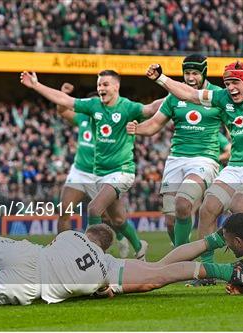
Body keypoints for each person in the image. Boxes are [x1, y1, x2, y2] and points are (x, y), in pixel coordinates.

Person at [0, 215, 243, 308]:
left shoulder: (66, 236)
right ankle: (222, 262)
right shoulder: (96, 257)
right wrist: (101, 290)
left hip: (31, 270)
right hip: (41, 281)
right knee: (159, 274)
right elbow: (137, 283)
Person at [146, 38, 243, 267]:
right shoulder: (222, 98)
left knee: (239, 205)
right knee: (208, 208)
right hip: (236, 166)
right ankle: (207, 267)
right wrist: (161, 78)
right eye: (227, 83)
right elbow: (188, 94)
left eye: (235, 83)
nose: (231, 88)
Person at [20, 69, 162, 260]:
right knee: (117, 219)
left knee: (94, 209)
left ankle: (91, 257)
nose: (101, 88)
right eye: (99, 85)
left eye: (105, 85)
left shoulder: (127, 107)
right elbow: (64, 103)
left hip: (121, 171)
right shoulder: (92, 108)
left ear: (116, 86)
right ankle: (139, 247)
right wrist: (36, 85)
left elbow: (152, 108)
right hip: (93, 172)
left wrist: (180, 93)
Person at [127, 54, 225, 248]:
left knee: (183, 203)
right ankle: (182, 251)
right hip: (176, 159)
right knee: (170, 221)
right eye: (187, 73)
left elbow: (233, 127)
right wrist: (136, 129)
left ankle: (183, 262)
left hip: (204, 159)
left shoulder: (217, 95)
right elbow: (154, 124)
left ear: (204, 73)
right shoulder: (174, 97)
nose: (190, 78)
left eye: (195, 73)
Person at [55, 83, 130, 258]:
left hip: (101, 173)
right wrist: (63, 94)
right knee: (64, 210)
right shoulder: (82, 118)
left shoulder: (111, 124)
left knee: (109, 218)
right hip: (79, 172)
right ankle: (61, 254)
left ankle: (118, 237)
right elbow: (62, 111)